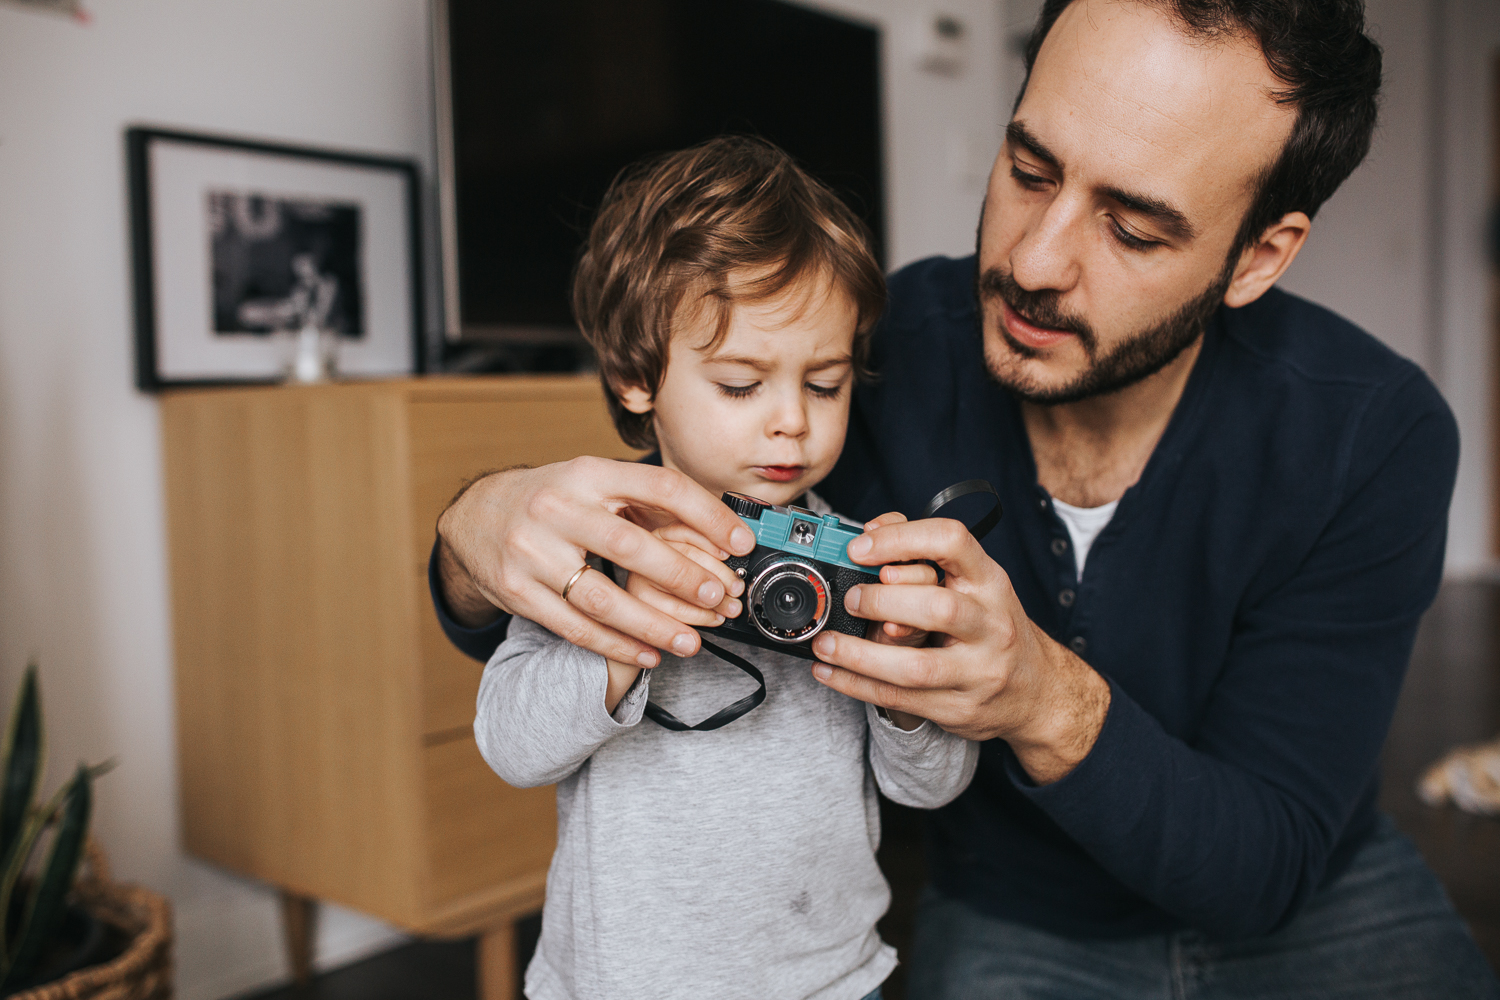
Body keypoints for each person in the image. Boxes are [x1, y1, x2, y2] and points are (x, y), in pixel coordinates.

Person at [432, 0, 1500, 995]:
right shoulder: (861, 357)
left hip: (1303, 893)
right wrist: (472, 529)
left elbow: (1262, 863)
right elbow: (610, 595)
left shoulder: (1373, 432)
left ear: (1257, 256)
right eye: (1030, 168)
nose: (1034, 262)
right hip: (1015, 912)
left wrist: (1041, 695)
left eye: (1132, 229)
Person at [471, 136, 977, 1000]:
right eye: (742, 385)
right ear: (635, 375)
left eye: (824, 384)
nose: (791, 421)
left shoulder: (851, 559)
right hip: (619, 982)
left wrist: (904, 673)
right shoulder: (596, 542)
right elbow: (513, 747)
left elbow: (930, 789)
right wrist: (624, 630)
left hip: (828, 979)